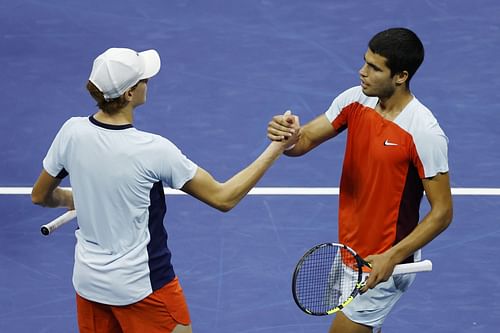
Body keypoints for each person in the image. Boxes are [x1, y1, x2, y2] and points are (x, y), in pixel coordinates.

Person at [31, 47, 298, 333]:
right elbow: (224, 197)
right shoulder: (154, 150)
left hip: (89, 287)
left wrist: (75, 199)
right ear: (130, 94)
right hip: (144, 289)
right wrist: (278, 147)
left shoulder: (71, 132)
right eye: (143, 79)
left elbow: (41, 196)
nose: (148, 82)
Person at [267, 27, 453, 333]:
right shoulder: (355, 100)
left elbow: (443, 211)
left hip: (385, 263)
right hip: (349, 251)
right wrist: (288, 137)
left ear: (401, 76)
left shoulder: (424, 133)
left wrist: (390, 258)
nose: (362, 71)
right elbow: (302, 143)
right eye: (365, 62)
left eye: (374, 67)